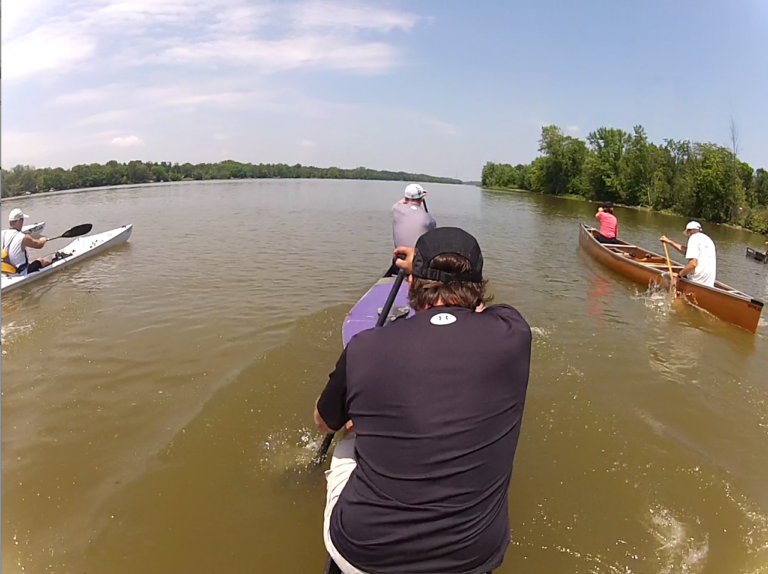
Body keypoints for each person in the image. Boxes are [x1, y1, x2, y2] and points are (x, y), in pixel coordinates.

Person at [314, 227, 532, 574]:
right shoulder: (514, 332)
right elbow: (483, 309)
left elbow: (323, 421)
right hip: (473, 556)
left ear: (411, 285)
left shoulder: (366, 347)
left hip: (364, 554)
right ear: (478, 286)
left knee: (349, 436)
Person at [383, 183, 436, 277]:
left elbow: (400, 203)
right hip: (417, 263)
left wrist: (409, 197)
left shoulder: (396, 209)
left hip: (399, 259)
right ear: (421, 200)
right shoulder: (429, 219)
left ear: (405, 198)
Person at [660, 221, 717, 287]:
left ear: (691, 231)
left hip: (696, 279)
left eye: (687, 233)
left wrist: (678, 276)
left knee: (666, 275)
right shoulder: (707, 239)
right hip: (708, 282)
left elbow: (693, 264)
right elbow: (687, 251)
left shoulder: (693, 238)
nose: (688, 236)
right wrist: (669, 242)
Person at [1, 208, 52, 275]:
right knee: (41, 260)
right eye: (22, 220)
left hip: (5, 271)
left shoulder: (2, 233)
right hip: (20, 273)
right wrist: (43, 239)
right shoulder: (23, 237)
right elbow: (39, 245)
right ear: (19, 221)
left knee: (29, 261)